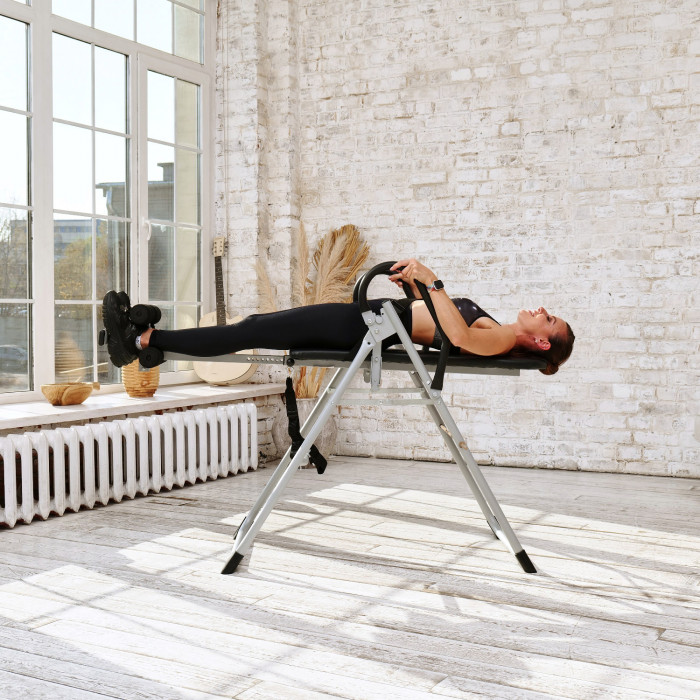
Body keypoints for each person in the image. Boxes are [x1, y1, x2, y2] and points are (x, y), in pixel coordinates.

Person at [102, 258, 575, 376]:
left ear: (540, 343)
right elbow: (435, 324)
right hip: (369, 319)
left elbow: (459, 339)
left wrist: (432, 281)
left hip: (361, 328)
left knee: (251, 330)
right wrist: (414, 289)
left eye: (549, 320)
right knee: (255, 326)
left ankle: (143, 341)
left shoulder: (499, 340)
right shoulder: (496, 325)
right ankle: (147, 340)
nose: (542, 311)